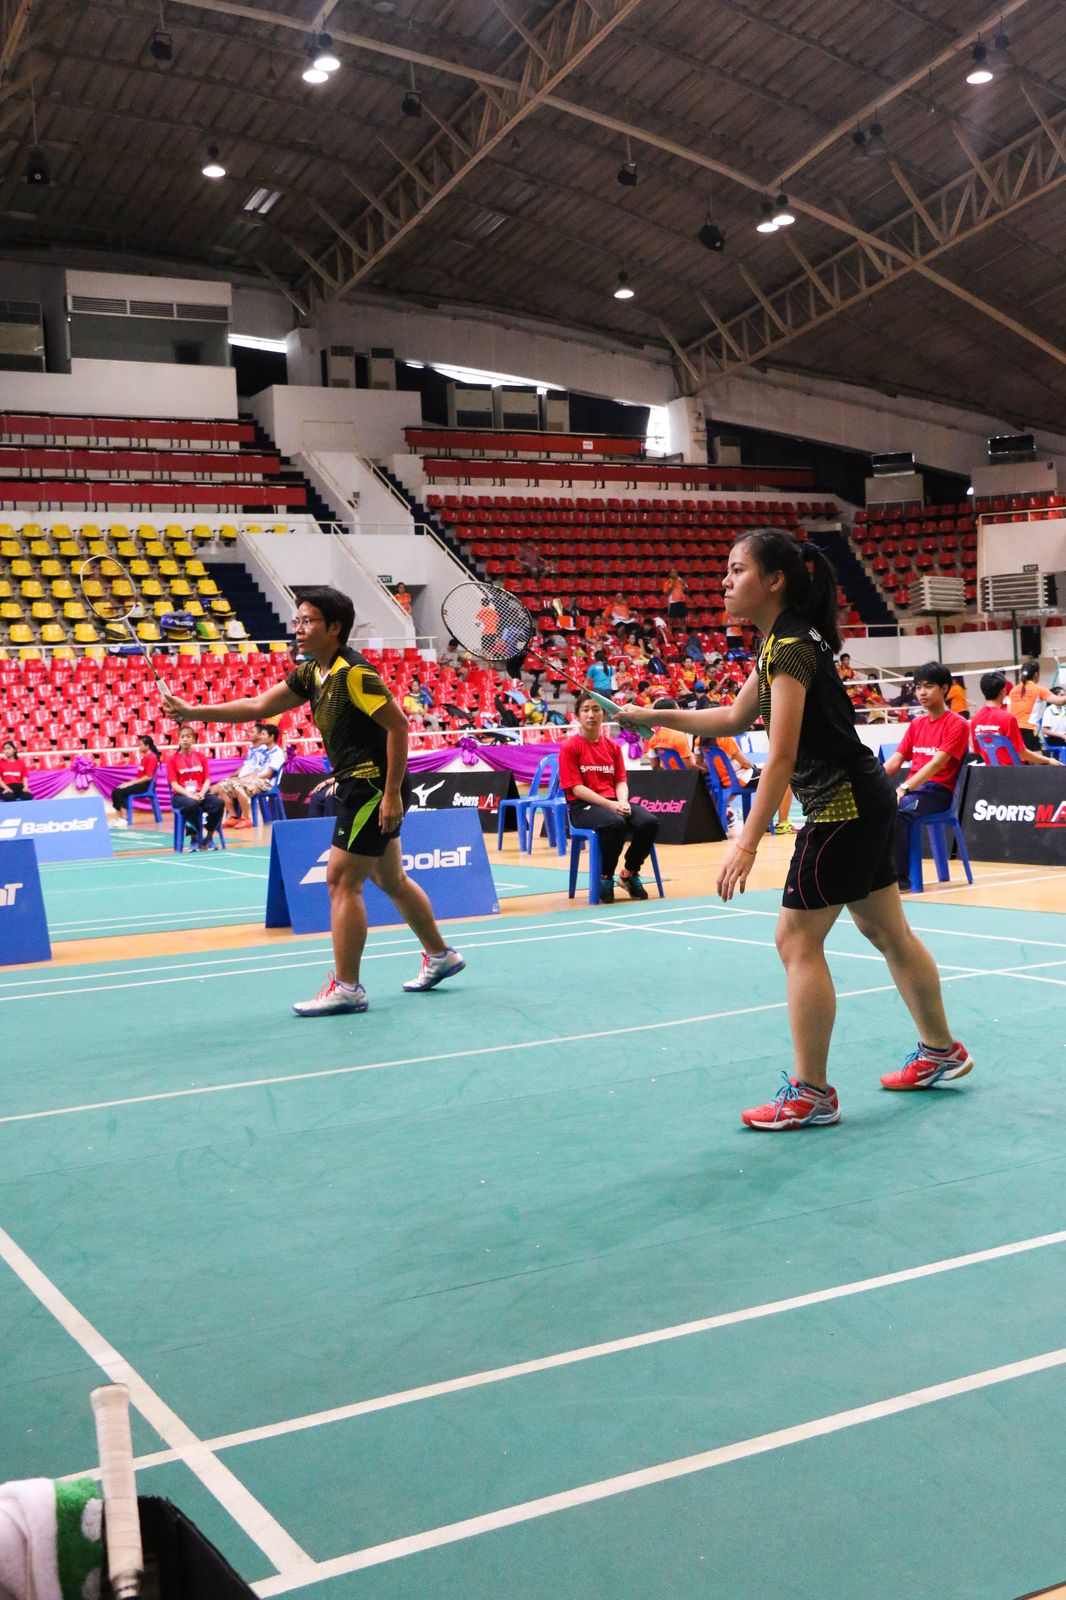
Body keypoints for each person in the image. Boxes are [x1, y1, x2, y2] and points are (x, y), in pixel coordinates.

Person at [620, 529, 972, 1128]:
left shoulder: (788, 646)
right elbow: (734, 718)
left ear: (775, 580)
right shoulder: (785, 640)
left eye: (737, 570)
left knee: (796, 942)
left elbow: (779, 757)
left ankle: (812, 1093)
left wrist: (746, 842)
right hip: (863, 798)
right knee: (887, 931)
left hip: (840, 808)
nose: (725, 581)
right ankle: (942, 1050)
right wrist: (652, 715)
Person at [161, 585, 463, 1015]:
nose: (298, 629)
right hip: (359, 785)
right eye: (297, 620)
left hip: (372, 787)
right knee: (390, 879)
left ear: (334, 627)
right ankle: (440, 955)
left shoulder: (354, 673)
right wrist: (194, 712)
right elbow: (259, 705)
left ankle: (348, 987)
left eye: (308, 621)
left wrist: (392, 793)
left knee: (341, 880)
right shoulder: (311, 673)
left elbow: (398, 726)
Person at [560, 693, 659, 903]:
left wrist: (622, 802)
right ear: (578, 715)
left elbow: (621, 781)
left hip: (613, 802)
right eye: (586, 710)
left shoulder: (612, 746)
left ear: (603, 714)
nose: (591, 715)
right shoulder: (570, 747)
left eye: (596, 709)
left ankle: (629, 874)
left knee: (649, 822)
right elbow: (576, 789)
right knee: (615, 824)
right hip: (583, 807)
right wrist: (610, 805)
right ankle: (605, 876)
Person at [883, 662, 971, 885]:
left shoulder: (958, 724)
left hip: (938, 793)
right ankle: (876, 874)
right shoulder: (917, 724)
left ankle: (899, 880)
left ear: (944, 688)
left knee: (898, 810)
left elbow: (935, 765)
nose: (922, 692)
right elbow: (895, 760)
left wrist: (903, 789)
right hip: (915, 790)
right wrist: (869, 782)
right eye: (918, 687)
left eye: (928, 686)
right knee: (874, 805)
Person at [970, 671, 1059, 766]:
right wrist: (1048, 760)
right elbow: (1022, 753)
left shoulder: (975, 719)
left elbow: (979, 750)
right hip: (1014, 771)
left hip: (991, 771)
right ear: (1003, 691)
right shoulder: (1008, 718)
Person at [213, 722, 286, 828]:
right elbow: (257, 769)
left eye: (263, 734)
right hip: (256, 779)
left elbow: (268, 774)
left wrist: (247, 779)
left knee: (238, 785)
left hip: (267, 782)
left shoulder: (277, 753)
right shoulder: (264, 751)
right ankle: (233, 817)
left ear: (271, 737)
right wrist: (245, 777)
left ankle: (246, 818)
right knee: (222, 786)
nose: (260, 736)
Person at [165, 727, 225, 851]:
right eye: (182, 737)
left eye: (188, 737)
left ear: (193, 739)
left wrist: (202, 793)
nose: (185, 739)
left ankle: (208, 837)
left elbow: (207, 780)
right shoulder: (172, 759)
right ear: (178, 740)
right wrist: (189, 795)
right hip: (181, 795)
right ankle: (194, 839)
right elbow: (174, 784)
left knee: (218, 803)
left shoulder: (200, 757)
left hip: (200, 793)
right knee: (191, 804)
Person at [1008, 660, 1066, 751]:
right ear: (1036, 674)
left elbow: (1008, 712)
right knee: (1037, 759)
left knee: (1019, 758)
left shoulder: (1013, 690)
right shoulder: (1038, 689)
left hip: (1012, 731)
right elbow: (1060, 701)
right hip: (1028, 730)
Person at [109, 734, 161, 827]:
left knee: (119, 792)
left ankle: (124, 819)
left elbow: (148, 777)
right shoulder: (145, 758)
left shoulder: (152, 758)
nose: (139, 747)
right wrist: (128, 783)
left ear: (147, 746)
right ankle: (119, 818)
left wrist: (131, 783)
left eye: (141, 744)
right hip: (141, 783)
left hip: (146, 786)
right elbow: (140, 776)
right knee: (116, 790)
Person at [645, 696, 696, 769]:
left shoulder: (653, 737)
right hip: (685, 775)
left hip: (668, 775)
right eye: (678, 709)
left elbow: (654, 766)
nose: (681, 710)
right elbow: (690, 766)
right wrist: (706, 770)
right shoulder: (678, 736)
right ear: (671, 713)